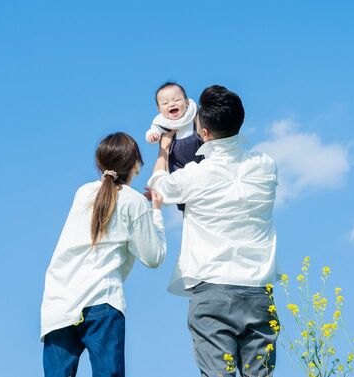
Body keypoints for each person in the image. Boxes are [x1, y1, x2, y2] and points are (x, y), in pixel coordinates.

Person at [147, 85, 280, 376]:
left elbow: (158, 186)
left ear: (203, 135)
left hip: (212, 289)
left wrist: (164, 151)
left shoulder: (195, 175)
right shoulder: (267, 166)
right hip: (258, 291)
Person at [41, 132, 166, 377]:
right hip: (102, 300)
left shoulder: (83, 193)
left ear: (100, 164)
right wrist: (155, 213)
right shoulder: (135, 203)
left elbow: (109, 211)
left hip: (59, 302)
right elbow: (153, 257)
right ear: (136, 165)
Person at [145, 82, 204, 211]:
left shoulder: (193, 114)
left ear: (187, 102)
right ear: (159, 109)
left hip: (199, 155)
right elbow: (152, 131)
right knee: (177, 183)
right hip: (177, 162)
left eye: (177, 100)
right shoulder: (162, 123)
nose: (171, 104)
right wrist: (153, 136)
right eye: (165, 103)